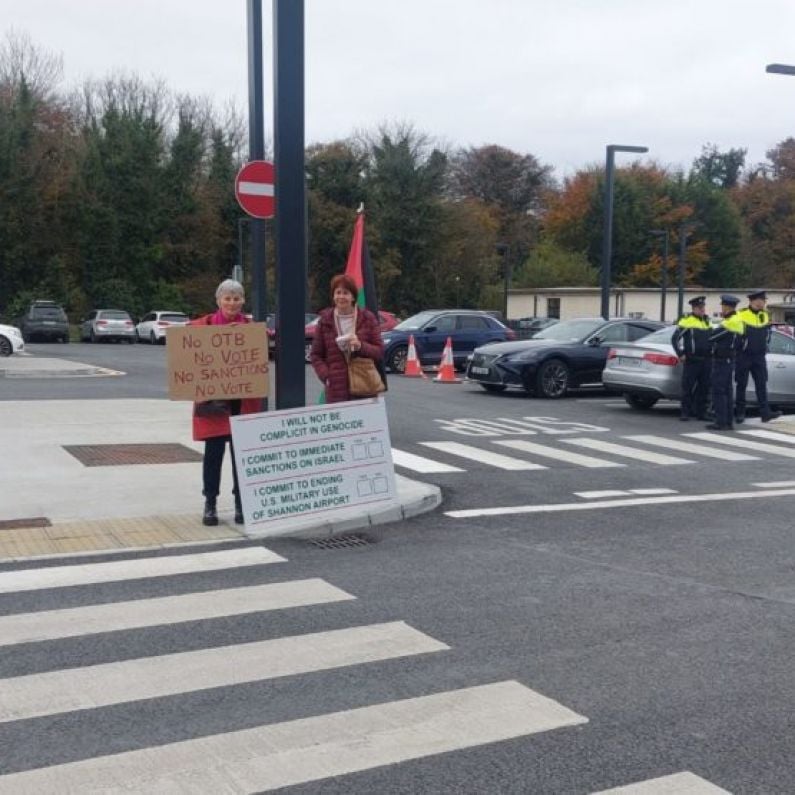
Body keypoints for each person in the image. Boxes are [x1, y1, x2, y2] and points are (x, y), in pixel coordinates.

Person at [191, 279, 262, 526]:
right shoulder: (204, 325)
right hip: (214, 403)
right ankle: (210, 504)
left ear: (243, 301)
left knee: (241, 456)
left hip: (242, 403)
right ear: (218, 300)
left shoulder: (252, 329)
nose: (231, 302)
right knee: (213, 455)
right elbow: (187, 346)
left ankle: (241, 503)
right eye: (227, 298)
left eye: (236, 298)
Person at [310, 273, 384, 403]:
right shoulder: (325, 321)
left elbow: (380, 351)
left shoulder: (367, 318)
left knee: (367, 423)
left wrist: (361, 346)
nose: (341, 297)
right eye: (338, 292)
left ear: (353, 297)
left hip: (364, 387)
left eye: (345, 293)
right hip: (336, 390)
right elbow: (316, 355)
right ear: (333, 296)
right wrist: (327, 376)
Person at [734, 290, 782, 424]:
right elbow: (734, 334)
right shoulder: (741, 314)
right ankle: (740, 413)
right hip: (744, 355)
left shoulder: (765, 315)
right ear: (753, 301)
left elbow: (768, 333)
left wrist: (765, 345)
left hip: (759, 356)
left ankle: (765, 413)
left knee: (762, 384)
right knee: (741, 385)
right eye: (761, 300)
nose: (763, 303)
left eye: (764, 300)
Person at [706, 295, 746, 431]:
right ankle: (728, 422)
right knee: (727, 392)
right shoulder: (737, 320)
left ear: (727, 307)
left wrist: (711, 327)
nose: (722, 309)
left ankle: (721, 421)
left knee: (719, 391)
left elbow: (712, 337)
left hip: (722, 360)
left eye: (723, 307)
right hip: (730, 359)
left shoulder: (729, 322)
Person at [672, 295, 712, 421]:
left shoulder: (707, 321)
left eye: (703, 307)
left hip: (706, 360)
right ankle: (685, 412)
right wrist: (680, 353)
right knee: (687, 387)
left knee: (704, 388)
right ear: (694, 309)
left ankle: (701, 412)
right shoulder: (687, 321)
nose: (702, 310)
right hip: (692, 360)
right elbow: (675, 339)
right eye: (699, 308)